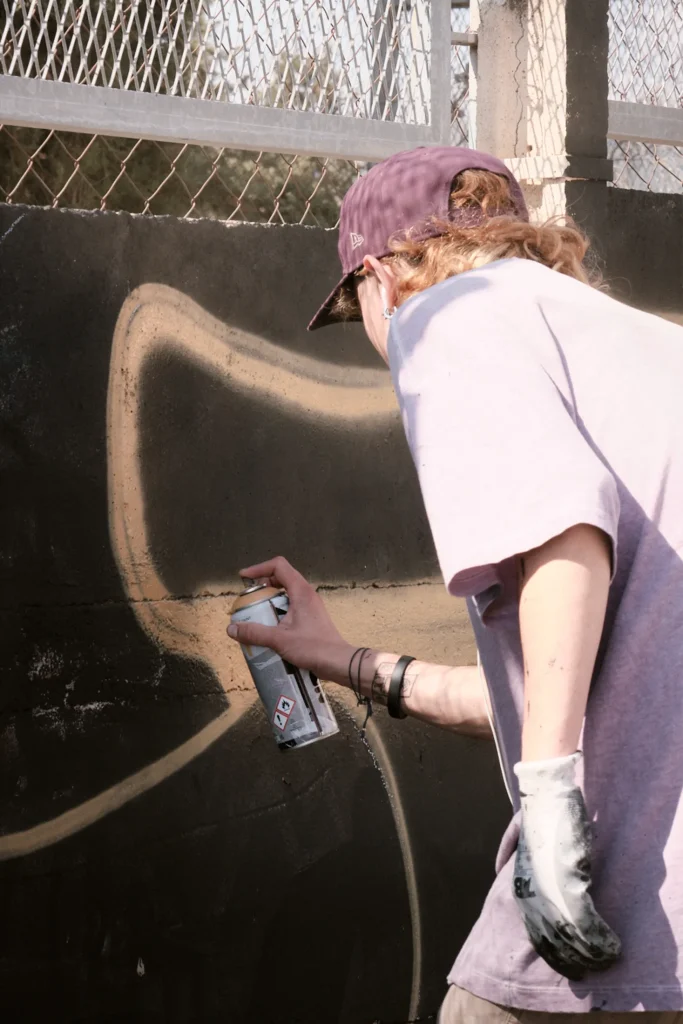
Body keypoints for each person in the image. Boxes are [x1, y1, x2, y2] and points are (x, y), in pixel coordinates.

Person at [226, 146, 683, 1022]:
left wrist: (548, 810)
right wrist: (350, 661)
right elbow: (581, 685)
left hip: (620, 916)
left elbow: (564, 537)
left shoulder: (444, 317)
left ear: (379, 275)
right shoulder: (634, 346)